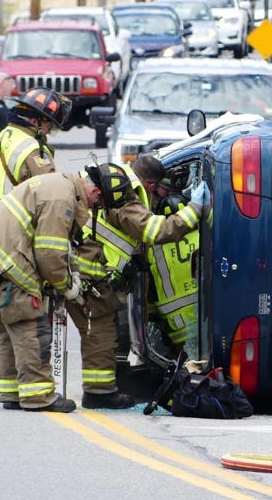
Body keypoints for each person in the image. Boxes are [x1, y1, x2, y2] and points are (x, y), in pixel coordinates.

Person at [0, 171, 101, 412]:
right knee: (32, 328)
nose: (95, 209)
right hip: (8, 265)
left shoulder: (57, 185)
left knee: (7, 331)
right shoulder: (62, 198)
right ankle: (38, 396)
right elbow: (49, 253)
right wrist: (66, 286)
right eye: (98, 203)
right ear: (95, 191)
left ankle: (11, 392)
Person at [68, 159, 207, 408]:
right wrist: (195, 208)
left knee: (102, 331)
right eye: (158, 190)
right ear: (150, 183)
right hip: (92, 271)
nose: (158, 197)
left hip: (86, 266)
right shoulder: (125, 197)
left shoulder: (114, 179)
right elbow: (156, 231)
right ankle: (99, 393)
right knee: (100, 332)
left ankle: (102, 389)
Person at [0, 87, 71, 393]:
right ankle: (32, 388)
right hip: (16, 242)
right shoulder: (32, 151)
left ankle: (2, 376)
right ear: (40, 122)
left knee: (2, 314)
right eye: (51, 127)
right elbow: (49, 194)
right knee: (26, 318)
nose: (51, 133)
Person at [147, 192, 199, 355]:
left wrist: (155, 318)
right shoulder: (204, 236)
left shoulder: (153, 251)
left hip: (177, 327)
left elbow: (150, 293)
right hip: (206, 314)